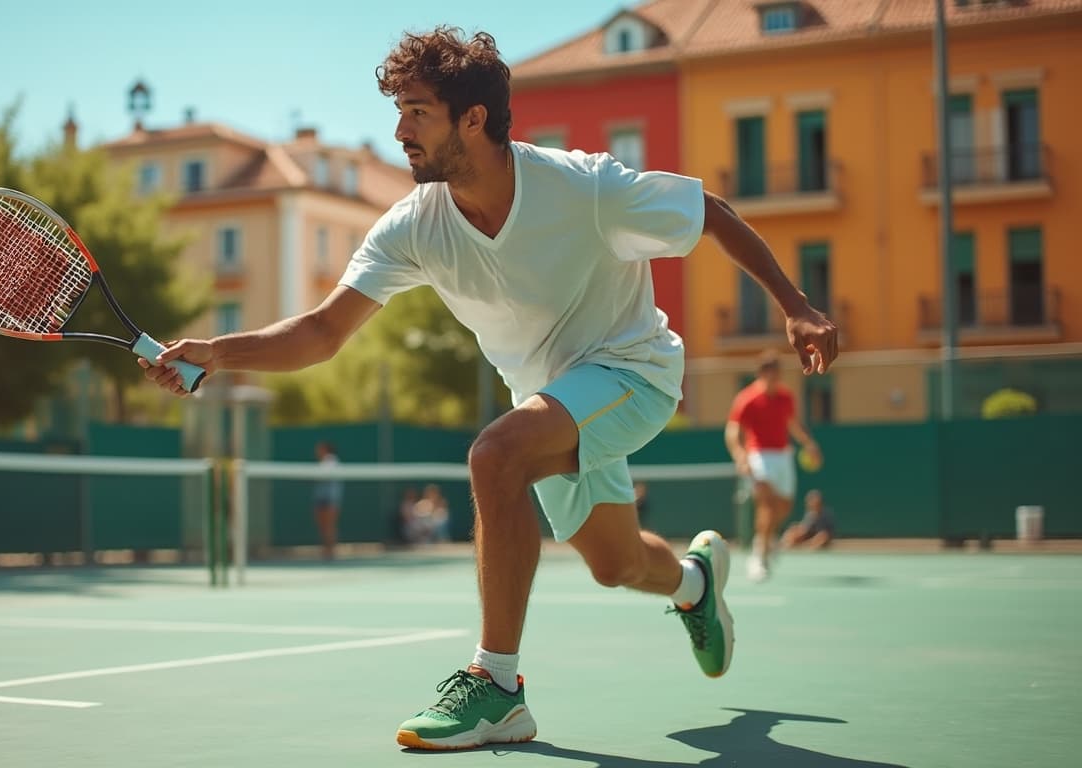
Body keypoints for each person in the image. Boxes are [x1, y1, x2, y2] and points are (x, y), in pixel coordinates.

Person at [141, 27, 838, 750]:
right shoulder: (414, 225)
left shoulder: (586, 187)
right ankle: (696, 583)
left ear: (473, 118)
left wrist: (797, 307)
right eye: (400, 111)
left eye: (417, 112)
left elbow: (711, 214)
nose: (398, 130)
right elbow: (322, 333)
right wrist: (218, 353)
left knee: (494, 455)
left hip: (633, 373)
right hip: (550, 399)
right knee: (616, 563)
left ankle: (497, 686)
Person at [725, 352, 823, 582]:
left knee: (785, 506)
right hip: (759, 456)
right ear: (762, 374)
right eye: (770, 373)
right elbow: (732, 431)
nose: (774, 378)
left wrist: (809, 444)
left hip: (783, 456)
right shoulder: (747, 398)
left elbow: (793, 424)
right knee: (767, 505)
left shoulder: (786, 397)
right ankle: (759, 556)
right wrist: (740, 454)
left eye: (777, 373)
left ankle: (767, 538)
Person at [312, 442, 343, 560]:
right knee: (323, 527)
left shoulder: (332, 461)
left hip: (330, 499)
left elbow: (322, 475)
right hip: (321, 499)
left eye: (319, 449)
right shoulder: (322, 462)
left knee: (330, 526)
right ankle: (326, 551)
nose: (317, 452)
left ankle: (331, 551)